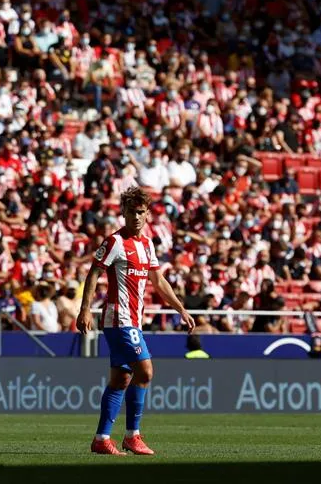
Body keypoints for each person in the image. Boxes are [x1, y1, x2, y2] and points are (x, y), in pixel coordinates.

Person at [76, 186, 195, 456]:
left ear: (148, 214)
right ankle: (133, 435)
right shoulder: (115, 242)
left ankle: (101, 439)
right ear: (124, 214)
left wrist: (180, 309)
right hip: (119, 319)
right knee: (146, 372)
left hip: (133, 321)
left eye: (141, 212)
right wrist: (85, 309)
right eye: (131, 213)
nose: (137, 218)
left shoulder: (147, 244)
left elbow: (158, 281)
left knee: (121, 379)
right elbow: (94, 273)